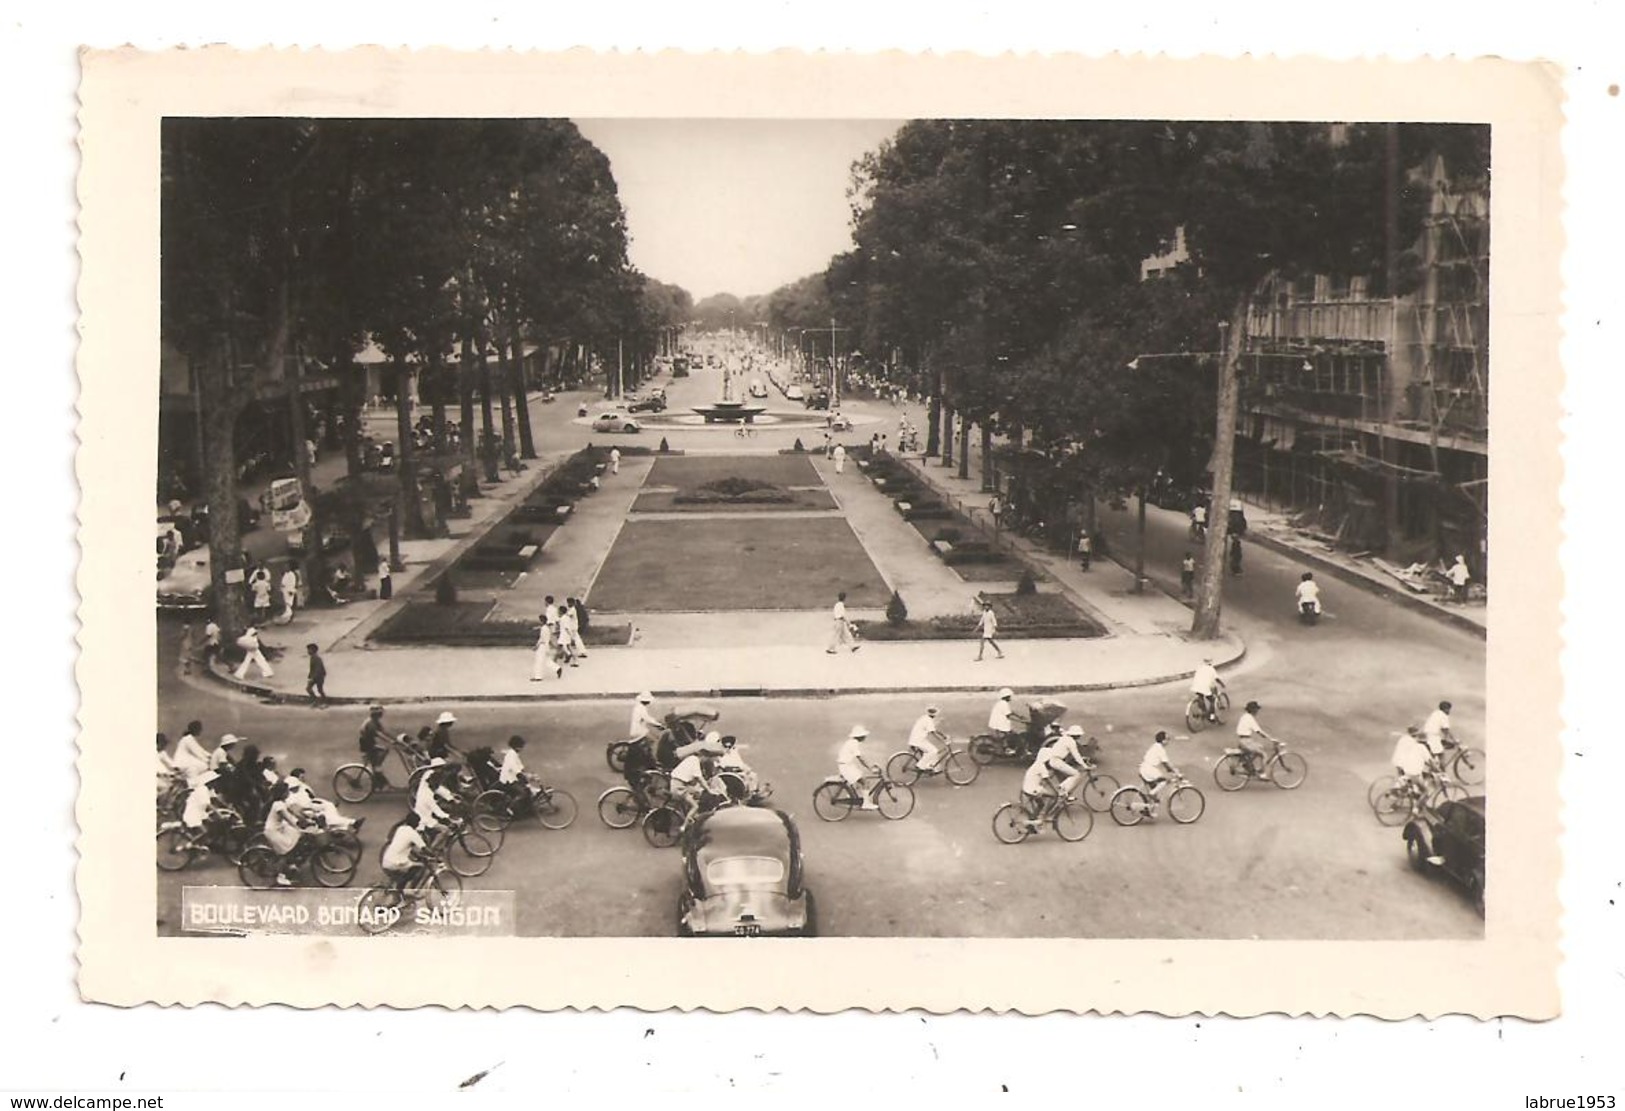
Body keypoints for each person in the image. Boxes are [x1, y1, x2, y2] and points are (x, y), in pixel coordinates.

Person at [261, 781, 314, 887]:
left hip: (279, 828)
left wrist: (307, 819)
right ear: (282, 793)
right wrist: (299, 827)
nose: (288, 793)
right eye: (287, 791)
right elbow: (288, 818)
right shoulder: (278, 805)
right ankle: (281, 877)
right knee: (286, 851)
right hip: (273, 831)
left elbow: (294, 813)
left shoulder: (282, 802)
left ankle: (291, 863)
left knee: (296, 836)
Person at [1136, 730, 1183, 817]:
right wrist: (1176, 772)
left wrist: (1170, 770)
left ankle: (1148, 810)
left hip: (1144, 768)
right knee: (1164, 781)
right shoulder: (1161, 750)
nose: (1168, 741)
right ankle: (1152, 794)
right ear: (1163, 740)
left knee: (1155, 787)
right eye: (1167, 739)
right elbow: (1166, 764)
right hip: (1149, 770)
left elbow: (1165, 765)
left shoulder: (1155, 746)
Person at [836, 725, 881, 810]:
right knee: (865, 781)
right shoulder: (854, 744)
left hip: (846, 765)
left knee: (859, 776)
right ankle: (866, 803)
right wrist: (870, 767)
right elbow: (860, 758)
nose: (865, 737)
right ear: (860, 736)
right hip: (846, 766)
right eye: (864, 736)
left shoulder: (851, 742)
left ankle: (852, 794)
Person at [1235, 700, 1275, 775]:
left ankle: (1248, 763)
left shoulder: (1244, 716)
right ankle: (1263, 774)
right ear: (1253, 710)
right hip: (1246, 741)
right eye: (1256, 709)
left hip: (1242, 740)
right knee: (1263, 754)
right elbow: (1259, 731)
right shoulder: (1250, 718)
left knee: (1260, 747)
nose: (1257, 711)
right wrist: (1270, 738)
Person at [907, 706, 949, 774]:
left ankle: (931, 767)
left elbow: (934, 730)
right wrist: (942, 740)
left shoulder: (925, 718)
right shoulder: (928, 720)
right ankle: (920, 766)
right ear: (935, 714)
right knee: (933, 751)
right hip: (918, 740)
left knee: (932, 751)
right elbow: (933, 733)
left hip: (917, 739)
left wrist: (943, 735)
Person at [1189, 657, 1225, 722]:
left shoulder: (1199, 667)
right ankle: (1211, 717)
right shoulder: (1211, 669)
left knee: (1200, 697)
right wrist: (1222, 684)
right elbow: (1216, 679)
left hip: (1196, 686)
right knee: (1212, 700)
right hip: (1205, 687)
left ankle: (1203, 711)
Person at [358, 705, 389, 779]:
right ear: (376, 714)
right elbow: (378, 734)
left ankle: (376, 771)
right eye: (380, 713)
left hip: (371, 742)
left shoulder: (375, 721)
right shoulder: (370, 723)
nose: (381, 715)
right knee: (384, 750)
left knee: (383, 751)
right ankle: (377, 768)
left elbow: (384, 732)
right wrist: (390, 741)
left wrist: (395, 739)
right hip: (367, 744)